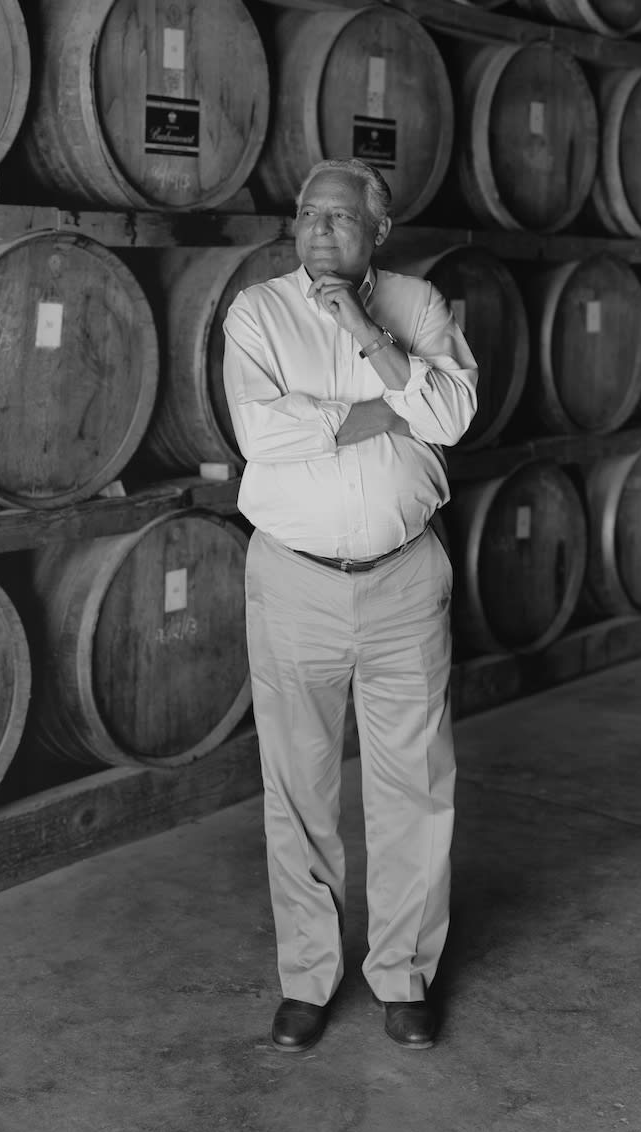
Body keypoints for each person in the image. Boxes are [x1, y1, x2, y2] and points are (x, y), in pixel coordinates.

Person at [222, 158, 478, 1052]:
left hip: (405, 576)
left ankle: (403, 975)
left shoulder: (419, 303)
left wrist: (367, 332)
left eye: (338, 216)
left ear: (379, 229)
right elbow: (263, 435)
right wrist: (381, 404)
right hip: (294, 579)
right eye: (306, 214)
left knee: (415, 782)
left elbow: (449, 418)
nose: (318, 229)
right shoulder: (256, 312)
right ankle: (308, 977)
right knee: (298, 789)